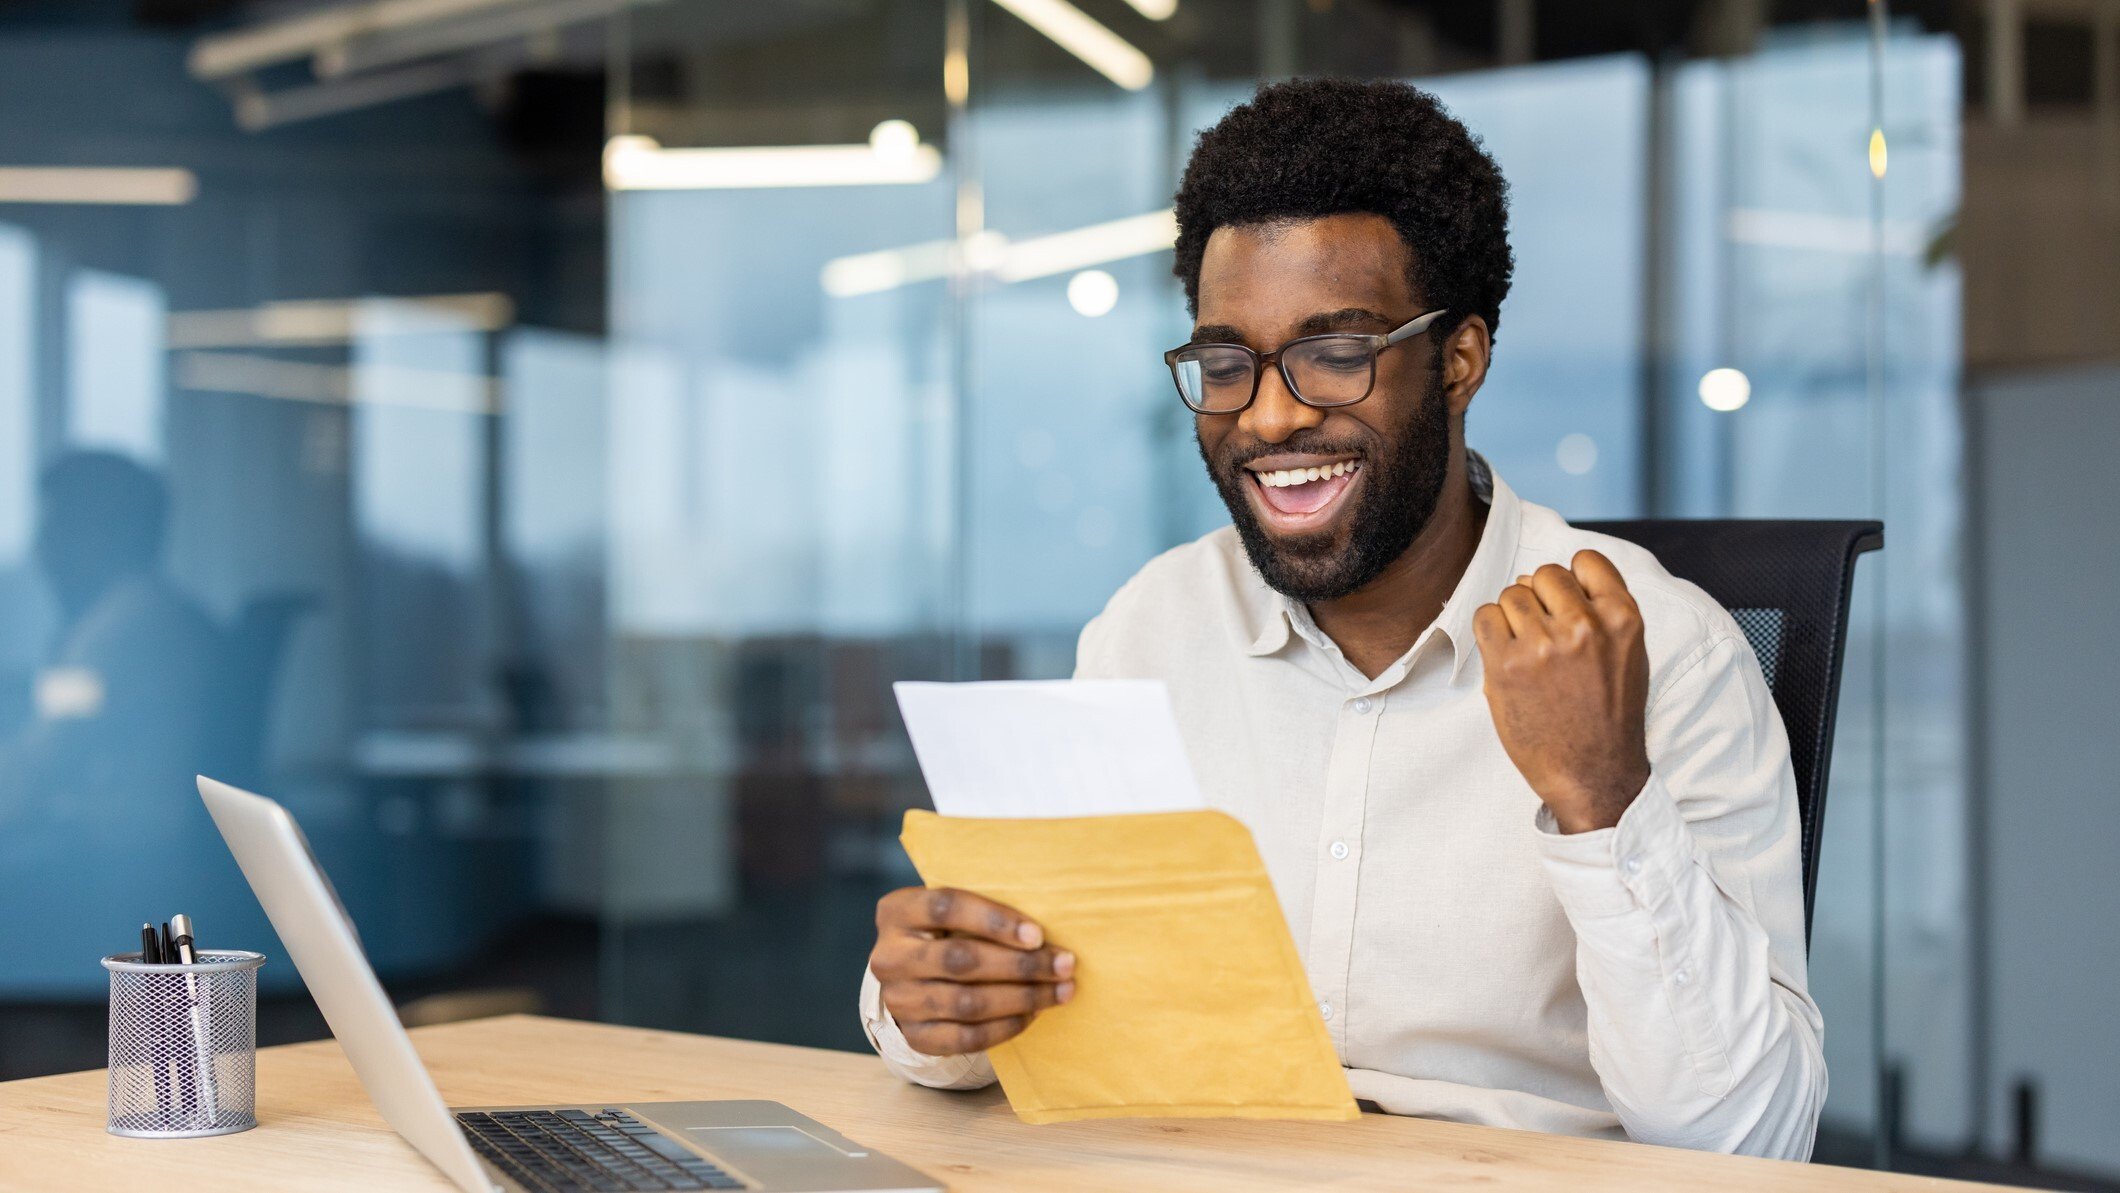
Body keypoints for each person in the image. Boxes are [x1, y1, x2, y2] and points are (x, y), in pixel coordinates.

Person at [860, 77, 1824, 1159]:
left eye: (1336, 353)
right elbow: (1003, 967)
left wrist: (1602, 800)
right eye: (1226, 362)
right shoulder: (1153, 624)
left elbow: (1752, 1136)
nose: (1270, 414)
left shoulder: (1667, 647)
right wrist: (930, 1006)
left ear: (1457, 360)